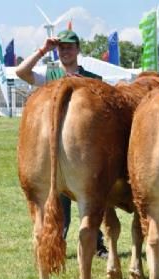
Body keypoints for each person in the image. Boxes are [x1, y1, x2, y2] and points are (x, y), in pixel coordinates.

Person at [16, 29, 108, 258]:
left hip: (83, 145)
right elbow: (21, 72)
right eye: (61, 48)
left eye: (69, 47)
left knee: (91, 196)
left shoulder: (93, 79)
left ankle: (96, 242)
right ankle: (59, 238)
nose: (65, 51)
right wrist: (43, 50)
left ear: (78, 49)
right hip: (53, 141)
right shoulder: (51, 75)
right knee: (57, 196)